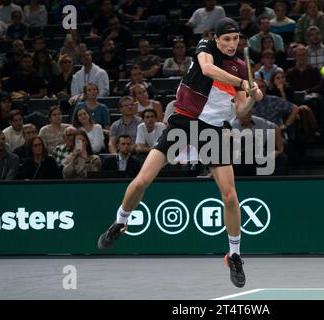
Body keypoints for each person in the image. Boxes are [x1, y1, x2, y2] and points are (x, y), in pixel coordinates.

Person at [97, 18, 263, 289]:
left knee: (230, 195)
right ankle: (119, 222)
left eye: (236, 40)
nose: (232, 45)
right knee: (142, 180)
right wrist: (244, 83)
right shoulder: (206, 46)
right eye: (227, 39)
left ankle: (234, 255)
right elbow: (208, 70)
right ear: (217, 38)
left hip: (213, 130)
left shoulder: (242, 69)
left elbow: (241, 111)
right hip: (183, 121)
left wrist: (252, 97)